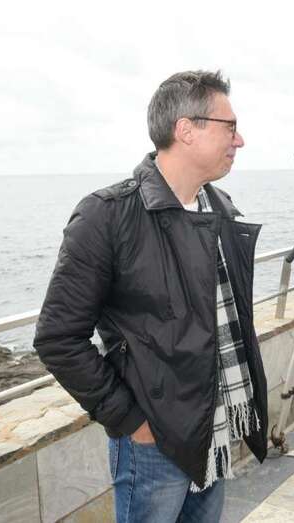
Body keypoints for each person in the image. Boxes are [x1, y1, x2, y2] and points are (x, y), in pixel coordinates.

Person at [33, 70, 268, 522]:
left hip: (213, 427)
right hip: (154, 440)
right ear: (186, 129)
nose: (239, 140)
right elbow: (58, 338)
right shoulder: (107, 215)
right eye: (230, 127)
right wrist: (130, 421)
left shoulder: (219, 207)